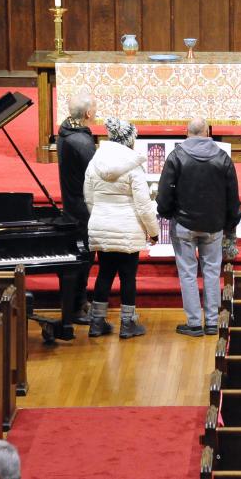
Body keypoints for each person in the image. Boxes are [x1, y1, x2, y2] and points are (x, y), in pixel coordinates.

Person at [156, 118, 241, 336]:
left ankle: (194, 323)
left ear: (187, 132)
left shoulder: (176, 156)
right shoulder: (222, 157)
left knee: (187, 273)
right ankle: (212, 322)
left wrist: (166, 213)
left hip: (183, 224)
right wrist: (231, 222)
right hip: (214, 225)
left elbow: (165, 191)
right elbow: (232, 195)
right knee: (212, 272)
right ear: (208, 132)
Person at [84, 118, 160, 338]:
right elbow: (144, 205)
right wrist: (153, 232)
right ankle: (128, 323)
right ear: (130, 139)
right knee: (128, 277)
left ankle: (97, 322)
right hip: (128, 227)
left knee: (104, 274)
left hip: (101, 223)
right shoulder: (133, 166)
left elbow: (89, 197)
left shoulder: (95, 161)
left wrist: (98, 216)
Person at [55, 91, 98, 333]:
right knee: (84, 259)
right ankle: (77, 305)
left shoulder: (66, 131)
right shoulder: (81, 142)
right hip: (82, 209)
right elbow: (96, 174)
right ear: (89, 113)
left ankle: (79, 302)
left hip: (72, 202)